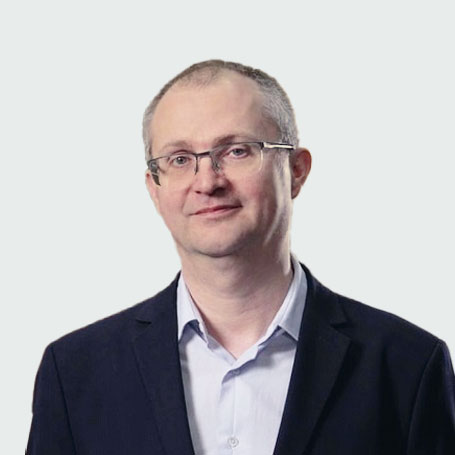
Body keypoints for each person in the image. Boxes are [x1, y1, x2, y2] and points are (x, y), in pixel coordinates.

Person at [27, 60, 455, 455]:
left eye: (236, 151)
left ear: (297, 170)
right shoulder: (75, 373)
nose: (207, 182)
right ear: (154, 189)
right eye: (180, 159)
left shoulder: (409, 367)